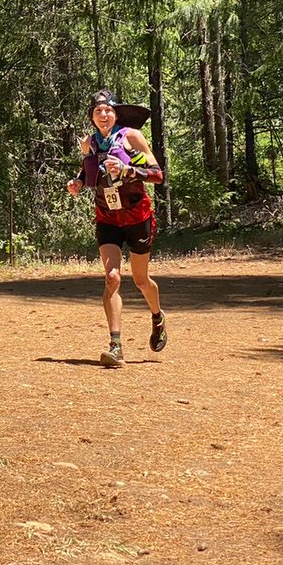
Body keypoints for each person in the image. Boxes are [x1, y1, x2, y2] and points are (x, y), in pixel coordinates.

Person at [66, 90, 168, 367]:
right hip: (107, 217)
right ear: (92, 116)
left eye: (108, 110)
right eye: (98, 111)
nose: (103, 115)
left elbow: (158, 175)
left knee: (140, 280)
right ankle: (116, 346)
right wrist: (76, 183)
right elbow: (89, 174)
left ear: (116, 114)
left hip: (137, 216)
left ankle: (157, 317)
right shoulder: (90, 143)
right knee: (112, 277)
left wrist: (128, 170)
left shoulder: (131, 136)